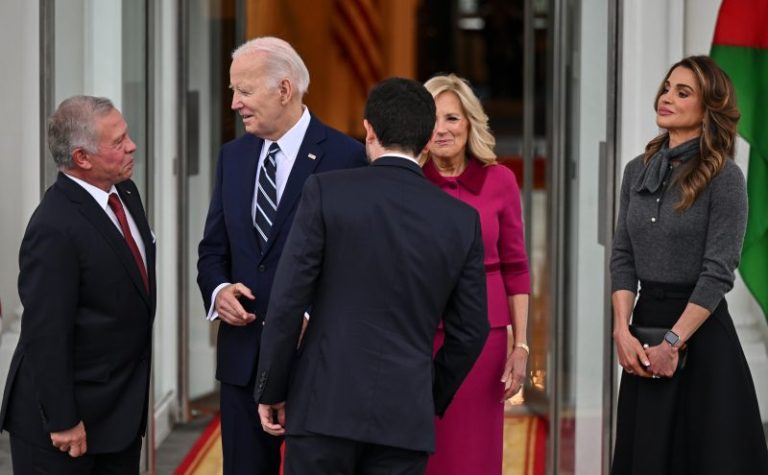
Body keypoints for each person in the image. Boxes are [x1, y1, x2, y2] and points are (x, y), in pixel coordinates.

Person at [254, 77, 490, 475]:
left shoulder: (326, 192)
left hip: (322, 406)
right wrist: (426, 394)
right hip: (404, 416)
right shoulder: (461, 220)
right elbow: (471, 331)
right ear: (428, 141)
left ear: (369, 131)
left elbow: (288, 302)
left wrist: (272, 387)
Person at [196, 36, 367, 474]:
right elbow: (212, 249)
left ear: (284, 90)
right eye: (234, 91)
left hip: (316, 361)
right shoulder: (232, 157)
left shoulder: (347, 157)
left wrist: (308, 314)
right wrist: (218, 291)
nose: (234, 103)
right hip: (242, 363)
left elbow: (356, 264)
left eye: (244, 91)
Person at [610, 55, 768, 474]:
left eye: (683, 93)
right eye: (666, 88)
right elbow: (623, 256)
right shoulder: (636, 171)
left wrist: (672, 343)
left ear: (707, 108)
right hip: (644, 330)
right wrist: (622, 330)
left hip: (701, 335)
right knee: (646, 457)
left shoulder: (726, 178)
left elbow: (718, 271)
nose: (667, 98)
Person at [0, 95, 155, 474]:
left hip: (118, 414)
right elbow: (45, 333)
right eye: (118, 142)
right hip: (65, 429)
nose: (132, 146)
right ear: (82, 158)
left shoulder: (125, 192)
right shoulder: (53, 227)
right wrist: (63, 419)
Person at [420, 73, 530, 475]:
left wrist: (522, 346)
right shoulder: (411, 181)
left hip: (485, 339)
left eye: (451, 118)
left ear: (470, 122)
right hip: (420, 334)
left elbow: (517, 267)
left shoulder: (501, 180)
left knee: (473, 450)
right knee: (424, 448)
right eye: (432, 119)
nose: (441, 130)